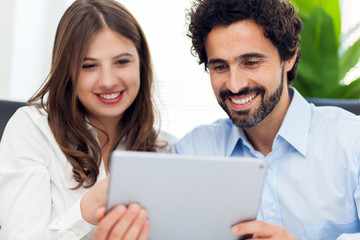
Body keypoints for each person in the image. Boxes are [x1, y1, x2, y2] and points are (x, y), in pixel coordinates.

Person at [174, 0, 360, 239]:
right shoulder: (191, 153)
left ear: (289, 55)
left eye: (251, 63)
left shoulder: (352, 142)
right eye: (220, 67)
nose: (235, 84)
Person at [0, 0, 173, 239]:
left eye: (122, 62)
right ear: (67, 71)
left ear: (142, 64)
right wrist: (83, 215)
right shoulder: (32, 130)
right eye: (89, 66)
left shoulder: (165, 149)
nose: (108, 81)